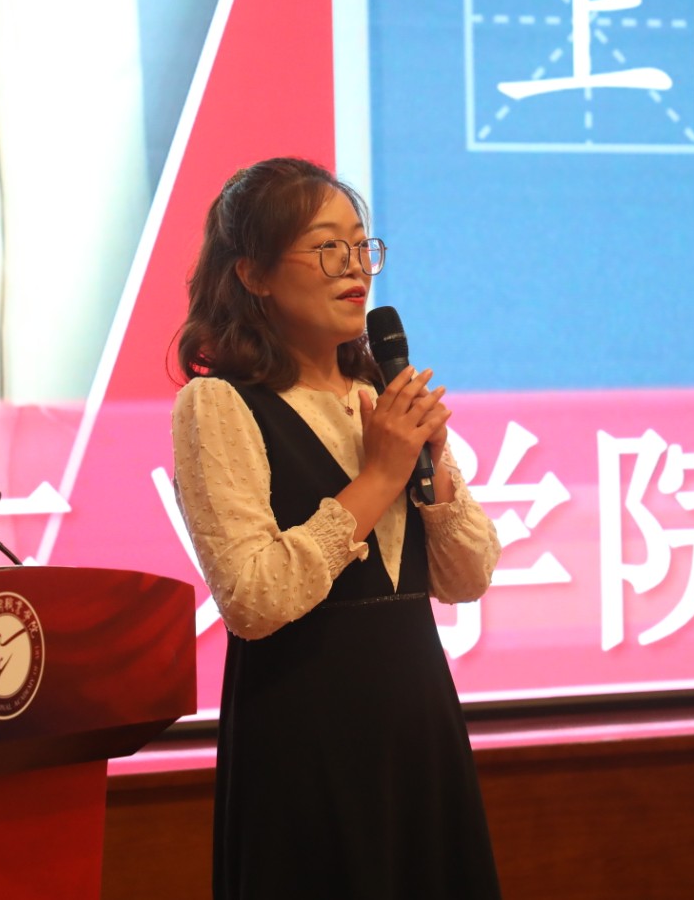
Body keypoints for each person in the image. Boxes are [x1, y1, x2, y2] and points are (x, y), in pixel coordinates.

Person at [171, 157, 503, 899]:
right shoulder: (220, 405)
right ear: (253, 273)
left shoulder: (378, 396)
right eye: (327, 247)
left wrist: (433, 468)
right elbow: (251, 598)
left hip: (418, 728)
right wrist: (380, 475)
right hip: (305, 745)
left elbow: (467, 577)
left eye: (360, 246)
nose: (355, 267)